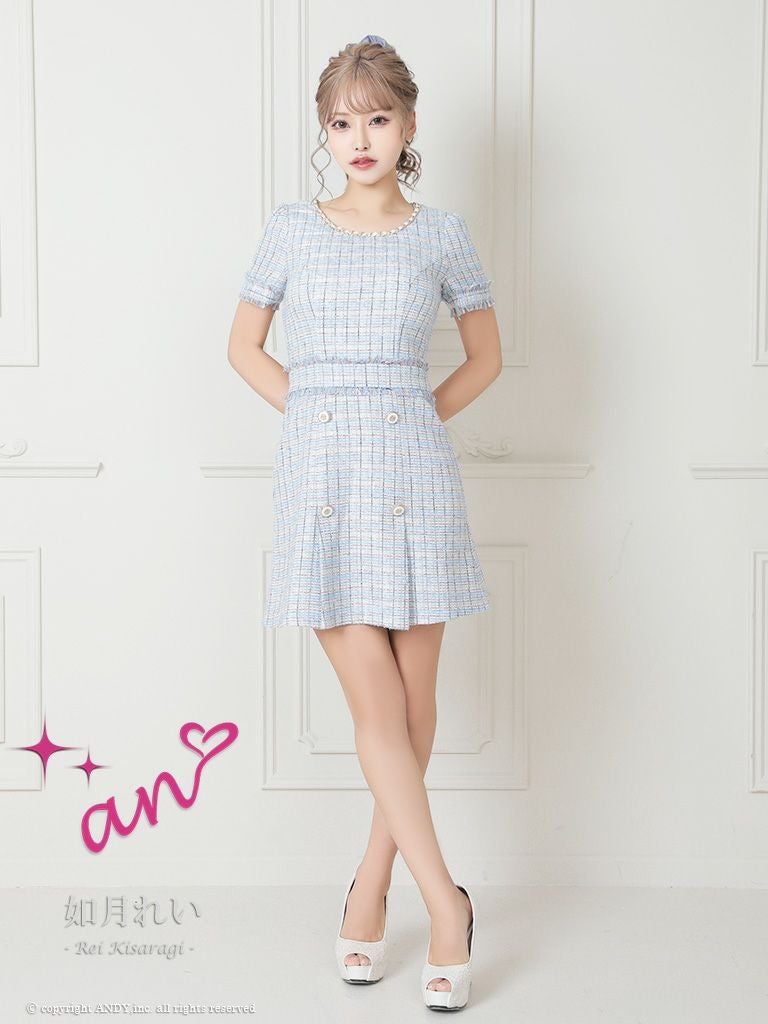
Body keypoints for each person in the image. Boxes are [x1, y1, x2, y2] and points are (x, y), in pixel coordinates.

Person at [227, 34, 502, 1012]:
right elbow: (244, 346)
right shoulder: (292, 230)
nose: (359, 138)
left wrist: (413, 413)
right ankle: (447, 905)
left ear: (409, 124)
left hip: (414, 477)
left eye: (377, 118)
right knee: (378, 711)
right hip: (324, 481)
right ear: (325, 131)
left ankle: (369, 887)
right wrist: (313, 410)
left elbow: (485, 357)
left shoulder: (443, 235)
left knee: (415, 713)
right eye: (341, 122)